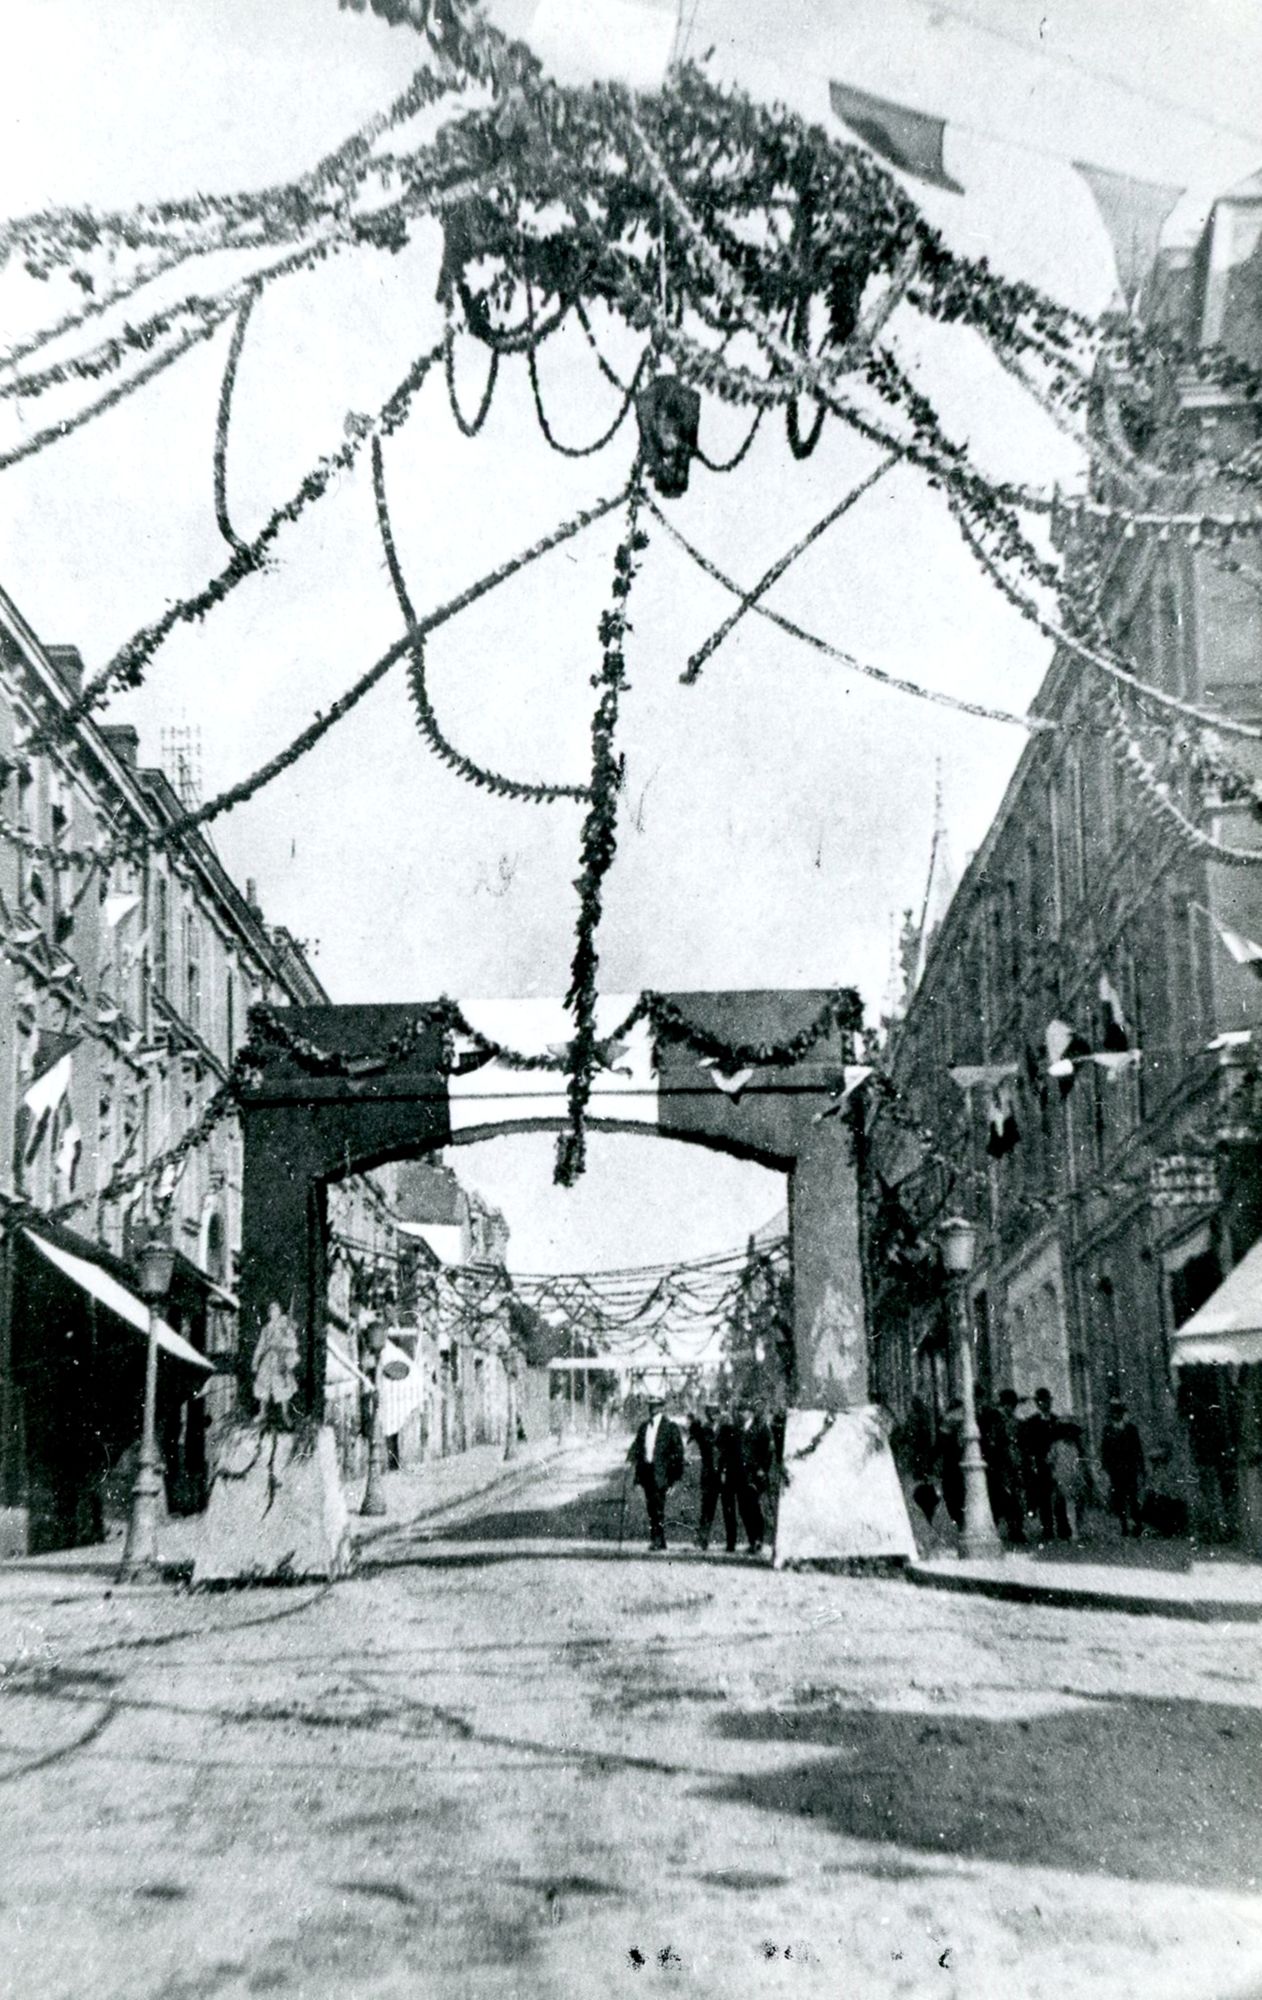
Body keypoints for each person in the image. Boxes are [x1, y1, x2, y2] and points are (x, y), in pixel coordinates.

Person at [628, 1395, 685, 1551]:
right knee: (651, 1508)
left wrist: (675, 1479)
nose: (652, 1408)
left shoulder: (670, 1427)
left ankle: (658, 1539)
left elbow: (678, 1453)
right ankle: (659, 1539)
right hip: (647, 1472)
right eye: (651, 1405)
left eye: (656, 1405)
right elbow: (637, 1448)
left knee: (658, 1507)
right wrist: (631, 1461)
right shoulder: (644, 1427)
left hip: (661, 1474)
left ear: (662, 1407)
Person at [980, 1389, 1026, 1544]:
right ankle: (1006, 1528)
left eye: (1012, 1405)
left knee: (1015, 1497)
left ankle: (1016, 1528)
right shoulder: (996, 1419)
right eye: (1009, 1405)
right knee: (1002, 1497)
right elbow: (993, 1442)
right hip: (1001, 1464)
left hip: (1013, 1463)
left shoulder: (1013, 1421)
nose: (1010, 1408)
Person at [734, 1400, 776, 1554]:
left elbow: (769, 1451)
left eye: (744, 1411)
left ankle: (759, 1540)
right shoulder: (740, 1428)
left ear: (750, 1412)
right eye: (740, 1411)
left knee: (754, 1508)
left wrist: (762, 1469)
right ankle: (752, 1540)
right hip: (741, 1475)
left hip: (755, 1475)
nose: (741, 1414)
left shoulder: (762, 1428)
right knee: (744, 1509)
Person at [1100, 1396, 1146, 1537]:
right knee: (1119, 1499)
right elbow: (1104, 1451)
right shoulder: (1107, 1430)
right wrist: (1105, 1467)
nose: (1116, 1415)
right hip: (1116, 1471)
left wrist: (1141, 1468)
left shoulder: (1131, 1429)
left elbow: (1138, 1450)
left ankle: (1137, 1525)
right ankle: (1124, 1525)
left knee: (1133, 1498)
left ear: (1122, 1413)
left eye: (1118, 1412)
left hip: (1130, 1469)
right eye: (1114, 1412)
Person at [1019, 1386, 1059, 1543]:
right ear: (1037, 1404)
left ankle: (1063, 1527)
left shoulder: (1056, 1420)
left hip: (1057, 1463)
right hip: (1041, 1464)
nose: (1045, 1404)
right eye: (1041, 1402)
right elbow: (1027, 1445)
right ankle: (1048, 1528)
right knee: (1044, 1497)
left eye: (1047, 1401)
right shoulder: (1032, 1422)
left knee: (1059, 1496)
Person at [252, 1300, 299, 1427]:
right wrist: (255, 1361)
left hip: (281, 1359)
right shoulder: (266, 1329)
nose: (275, 1313)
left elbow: (294, 1343)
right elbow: (260, 1346)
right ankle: (262, 1412)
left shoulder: (285, 1327)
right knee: (263, 1383)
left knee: (282, 1384)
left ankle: (285, 1414)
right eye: (272, 1311)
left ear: (280, 1312)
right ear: (269, 1313)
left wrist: (284, 1342)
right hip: (269, 1359)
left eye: (277, 1310)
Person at [688, 1404, 724, 1550]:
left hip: (723, 1473)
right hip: (708, 1474)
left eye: (715, 1413)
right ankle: (703, 1538)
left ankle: (732, 1543)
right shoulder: (704, 1430)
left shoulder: (725, 1430)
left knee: (729, 1508)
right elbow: (695, 1434)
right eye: (710, 1414)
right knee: (707, 1508)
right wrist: (694, 1420)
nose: (713, 1416)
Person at [1048, 1418, 1087, 1541]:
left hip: (1073, 1476)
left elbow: (1081, 1461)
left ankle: (1074, 1528)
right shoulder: (1059, 1445)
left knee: (1074, 1504)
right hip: (1063, 1477)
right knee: (1068, 1504)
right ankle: (1072, 1530)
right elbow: (1050, 1460)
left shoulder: (1074, 1446)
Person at [938, 1398, 966, 1530]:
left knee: (952, 1492)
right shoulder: (958, 1419)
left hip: (951, 1461)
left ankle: (958, 1518)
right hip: (956, 1459)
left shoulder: (948, 1419)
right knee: (957, 1491)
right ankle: (960, 1518)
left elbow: (940, 1443)